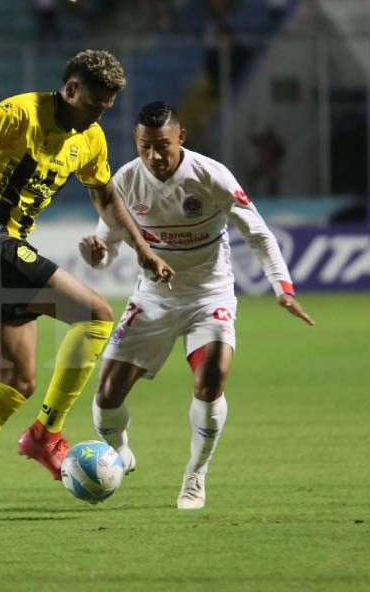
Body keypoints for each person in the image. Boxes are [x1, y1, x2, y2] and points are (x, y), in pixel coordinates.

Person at [0, 50, 175, 520]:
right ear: (70, 90)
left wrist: (144, 252)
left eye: (106, 108)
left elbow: (107, 199)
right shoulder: (22, 111)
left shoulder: (90, 140)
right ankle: (46, 434)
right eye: (93, 104)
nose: (98, 114)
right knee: (97, 316)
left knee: (15, 381)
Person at [79, 101, 314, 510]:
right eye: (145, 146)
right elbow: (106, 254)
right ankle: (120, 451)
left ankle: (196, 475)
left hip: (210, 295)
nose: (154, 157)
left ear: (181, 138)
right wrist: (95, 253)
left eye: (163, 146)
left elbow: (258, 234)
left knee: (210, 382)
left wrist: (283, 287)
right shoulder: (126, 181)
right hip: (152, 298)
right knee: (106, 396)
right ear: (136, 143)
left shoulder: (211, 176)